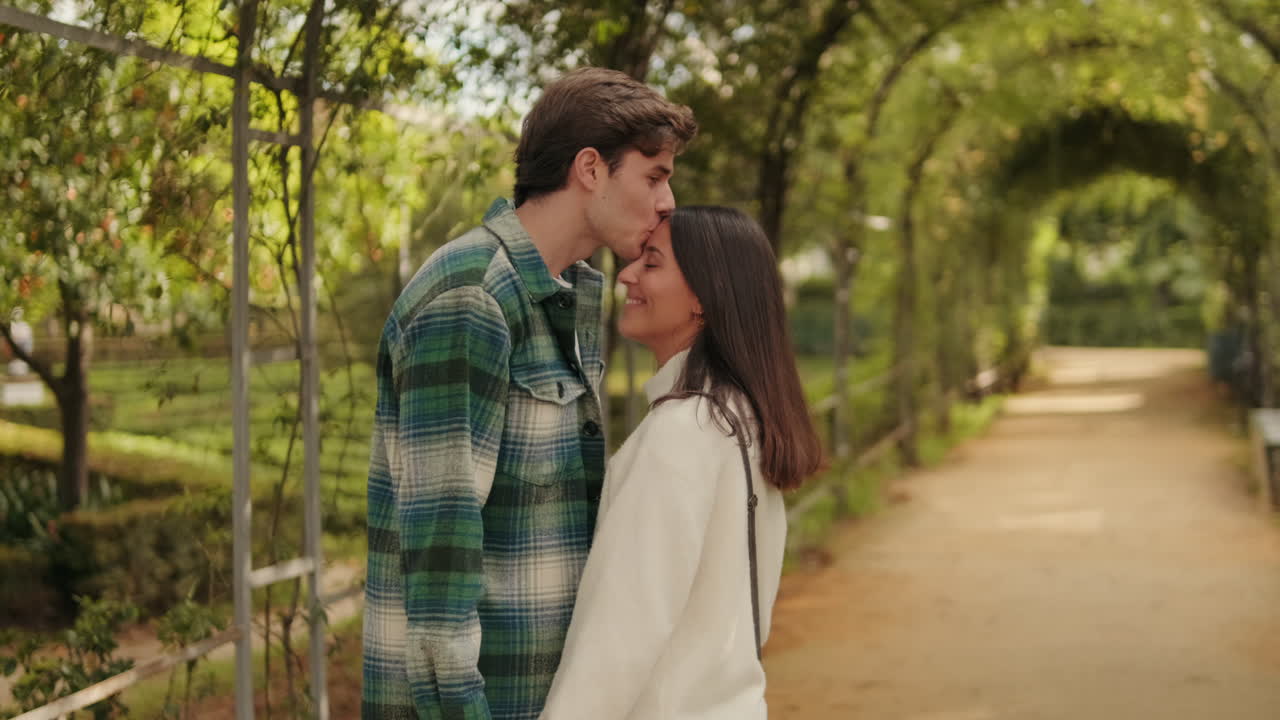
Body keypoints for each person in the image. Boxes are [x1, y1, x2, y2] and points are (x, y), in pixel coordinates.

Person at [362, 68, 697, 719]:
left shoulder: (567, 295)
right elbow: (439, 586)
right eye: (655, 176)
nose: (668, 201)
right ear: (591, 169)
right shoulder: (474, 300)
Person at [539, 206, 824, 719]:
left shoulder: (682, 432)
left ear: (703, 298)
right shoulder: (740, 416)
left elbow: (621, 633)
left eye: (651, 263)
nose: (626, 273)